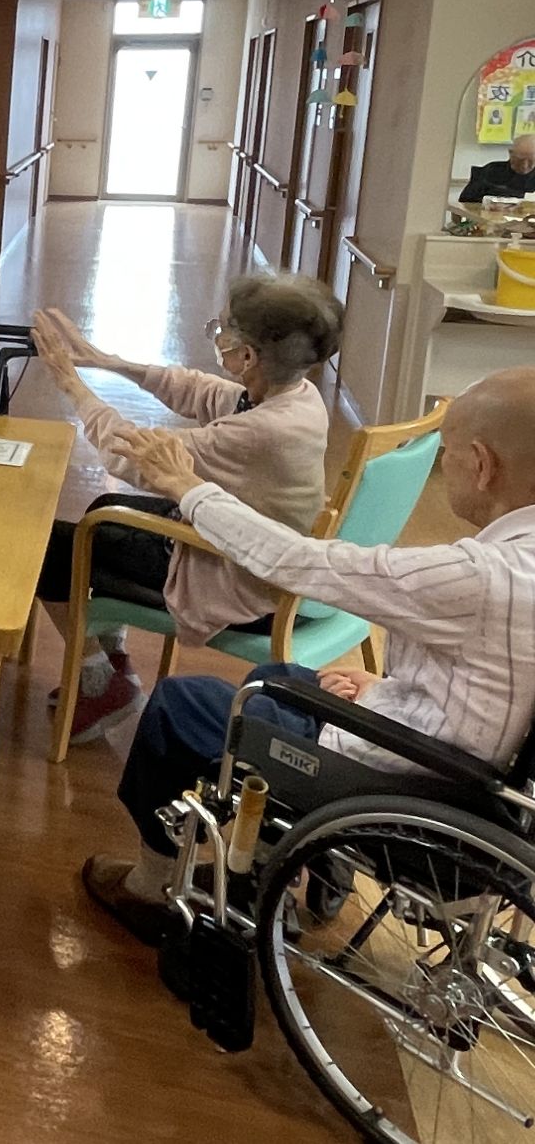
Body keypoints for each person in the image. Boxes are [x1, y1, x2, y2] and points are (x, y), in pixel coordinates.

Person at [81, 368, 535, 945]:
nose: (442, 466)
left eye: (447, 453)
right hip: (482, 780)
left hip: (411, 784)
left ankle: (151, 888)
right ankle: (287, 859)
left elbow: (295, 562)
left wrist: (186, 486)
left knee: (180, 704)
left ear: (482, 464)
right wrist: (386, 693)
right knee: (280, 677)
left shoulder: (482, 577)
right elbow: (497, 682)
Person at [30, 273, 340, 744]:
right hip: (264, 558)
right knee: (106, 507)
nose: (219, 338)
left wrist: (72, 386)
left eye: (224, 331)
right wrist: (108, 362)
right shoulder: (296, 396)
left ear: (248, 356)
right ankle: (112, 658)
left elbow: (133, 453)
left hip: (240, 581)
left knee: (51, 547)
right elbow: (201, 391)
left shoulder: (261, 432)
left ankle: (99, 684)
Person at [459, 132, 535, 203]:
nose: (525, 165)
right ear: (511, 153)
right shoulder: (490, 171)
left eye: (531, 161)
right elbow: (464, 201)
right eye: (520, 160)